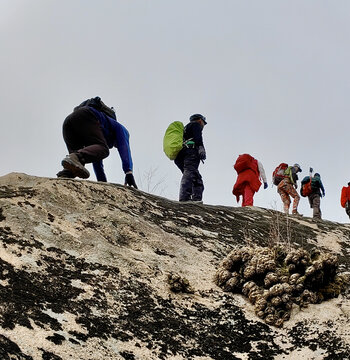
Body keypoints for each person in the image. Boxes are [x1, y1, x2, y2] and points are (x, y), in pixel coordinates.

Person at [57, 97, 137, 188]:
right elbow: (124, 148)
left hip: (68, 123)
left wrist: (102, 184)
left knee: (77, 164)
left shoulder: (97, 136)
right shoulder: (120, 128)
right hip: (86, 115)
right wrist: (128, 172)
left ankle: (67, 173)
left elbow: (96, 159)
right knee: (102, 150)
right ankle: (75, 158)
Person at [174, 114, 207, 202]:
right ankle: (184, 198)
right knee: (189, 174)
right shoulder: (196, 125)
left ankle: (196, 200)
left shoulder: (185, 129)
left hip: (180, 156)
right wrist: (200, 147)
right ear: (200, 120)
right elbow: (198, 137)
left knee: (197, 179)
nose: (203, 125)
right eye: (204, 123)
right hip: (190, 152)